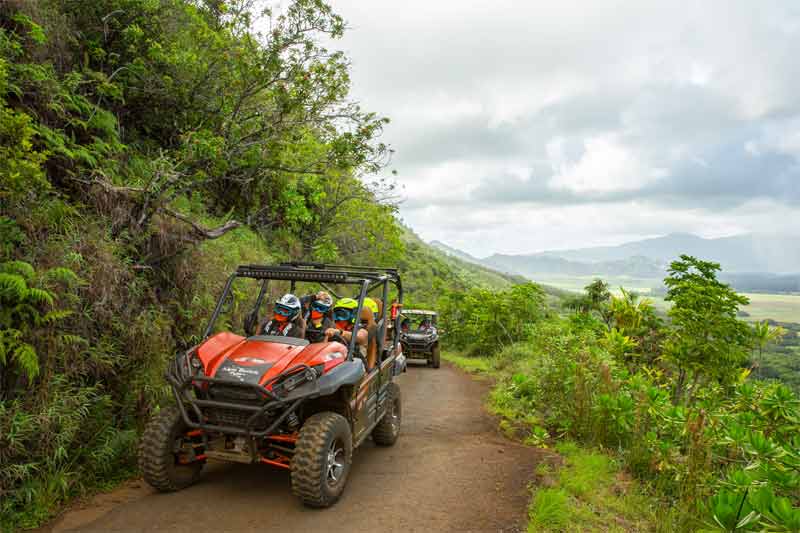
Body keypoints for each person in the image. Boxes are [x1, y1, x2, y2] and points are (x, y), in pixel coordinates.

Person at [325, 298, 374, 368]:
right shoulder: (333, 326)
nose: (338, 318)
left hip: (354, 363)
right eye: (336, 314)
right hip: (335, 361)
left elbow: (361, 337)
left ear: (353, 315)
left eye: (342, 314)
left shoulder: (360, 328)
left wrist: (341, 332)